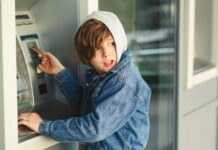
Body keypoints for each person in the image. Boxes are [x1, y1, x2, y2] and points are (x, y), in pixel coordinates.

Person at [18, 11, 151, 150]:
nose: (106, 53)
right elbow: (85, 106)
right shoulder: (101, 75)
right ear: (87, 55)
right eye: (98, 48)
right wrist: (60, 72)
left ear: (120, 40)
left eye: (111, 43)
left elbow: (94, 128)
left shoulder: (123, 82)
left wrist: (43, 126)